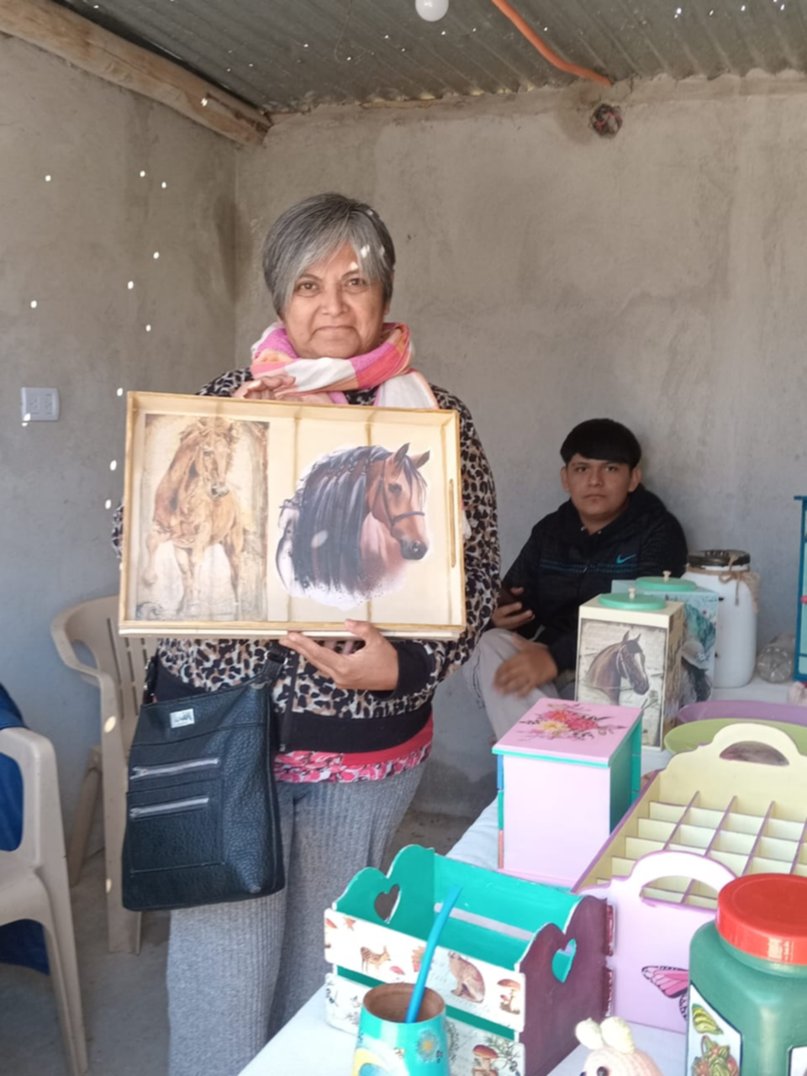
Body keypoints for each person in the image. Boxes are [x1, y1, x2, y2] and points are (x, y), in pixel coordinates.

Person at [114, 192, 498, 1076]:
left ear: (384, 295)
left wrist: (401, 665)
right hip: (223, 749)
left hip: (364, 754)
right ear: (279, 302)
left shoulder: (434, 418)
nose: (332, 304)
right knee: (220, 979)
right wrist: (230, 442)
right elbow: (141, 550)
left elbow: (474, 584)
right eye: (308, 283)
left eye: (354, 280)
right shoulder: (219, 402)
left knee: (323, 989)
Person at [463, 418, 687, 739]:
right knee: (488, 645)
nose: (594, 481)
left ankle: (549, 752)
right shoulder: (550, 531)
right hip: (549, 662)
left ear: (633, 478)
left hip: (618, 668)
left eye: (610, 469)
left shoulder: (658, 531)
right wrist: (498, 617)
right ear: (565, 478)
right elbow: (520, 601)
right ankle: (557, 749)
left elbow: (647, 618)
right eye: (582, 469)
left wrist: (555, 657)